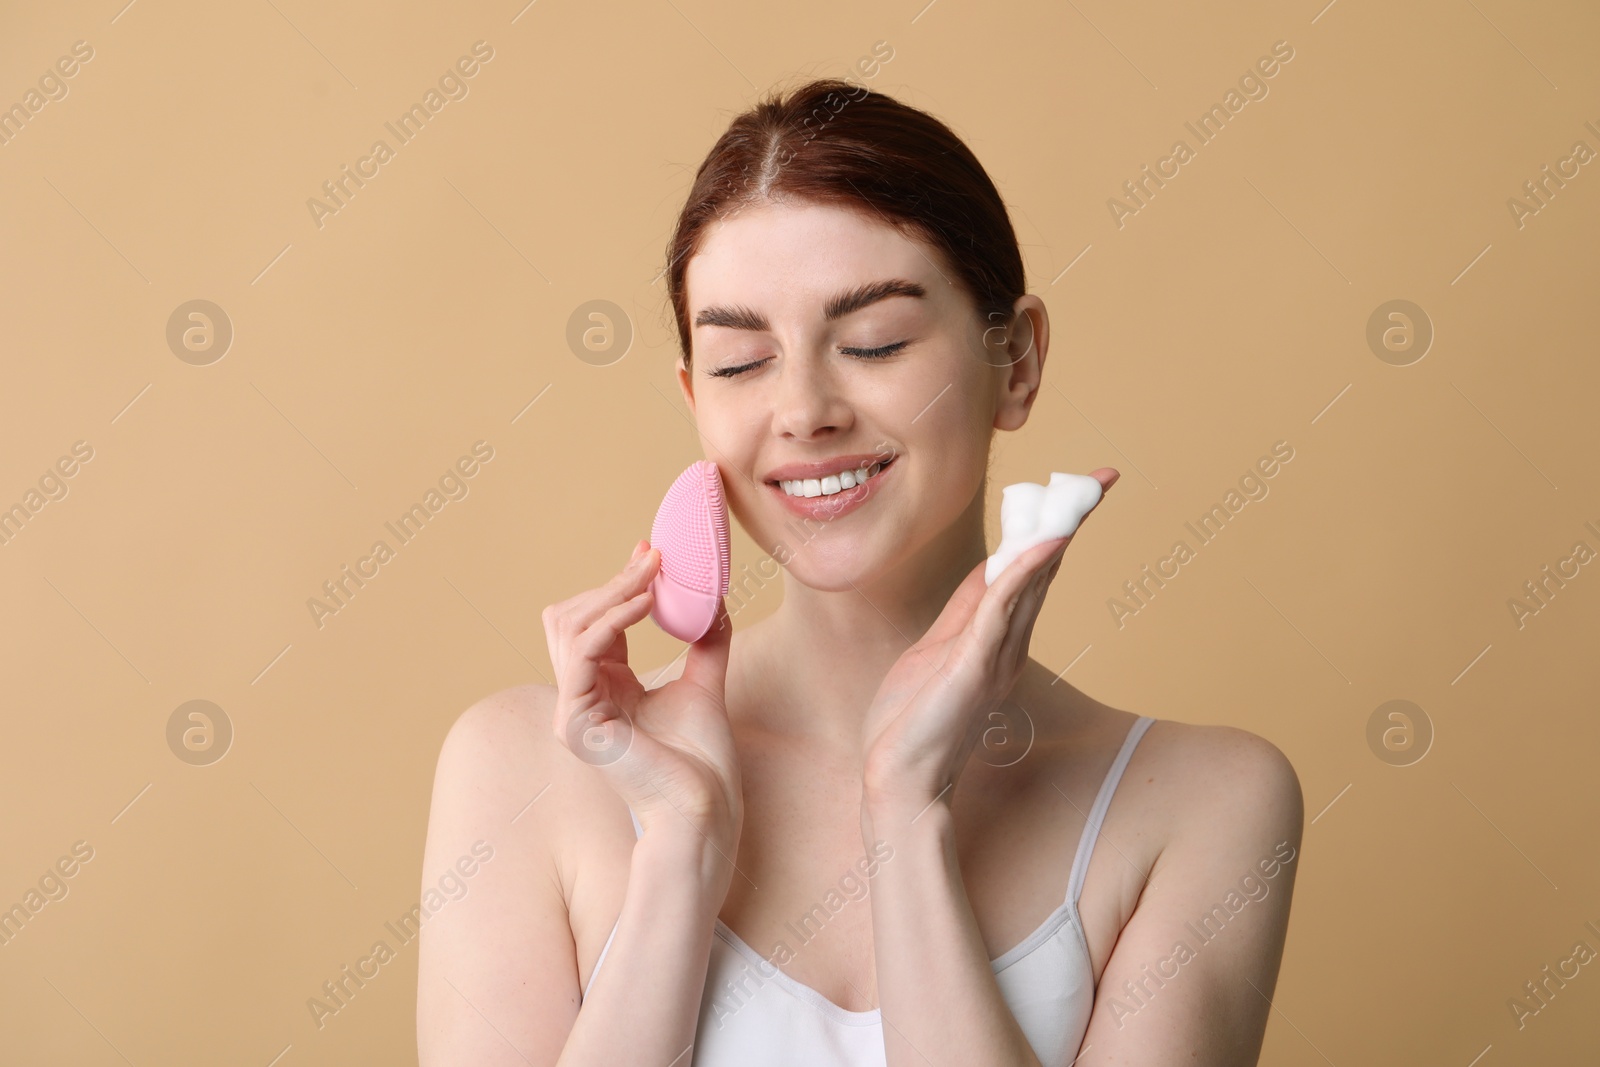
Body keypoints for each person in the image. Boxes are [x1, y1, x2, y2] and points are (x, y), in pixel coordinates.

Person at [417, 76, 1303, 1066]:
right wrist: (678, 844)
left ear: (1015, 362)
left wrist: (906, 811)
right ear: (692, 398)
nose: (802, 409)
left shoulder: (1202, 802)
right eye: (741, 361)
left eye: (873, 340)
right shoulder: (526, 768)